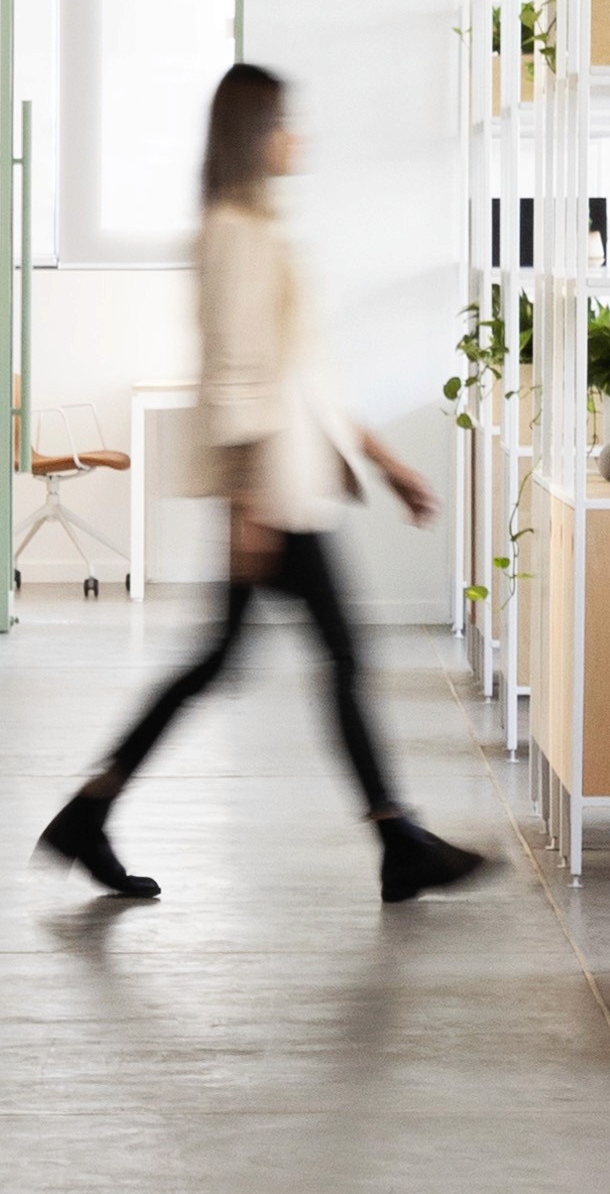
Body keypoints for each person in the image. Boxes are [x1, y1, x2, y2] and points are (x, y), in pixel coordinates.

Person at [40, 61, 485, 909]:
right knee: (331, 654)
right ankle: (397, 840)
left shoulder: (254, 229)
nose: (298, 137)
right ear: (256, 134)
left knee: (221, 660)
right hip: (275, 495)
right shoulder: (235, 233)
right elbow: (238, 375)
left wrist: (386, 465)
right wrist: (248, 511)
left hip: (288, 486)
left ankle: (87, 813)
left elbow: (304, 377)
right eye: (285, 122)